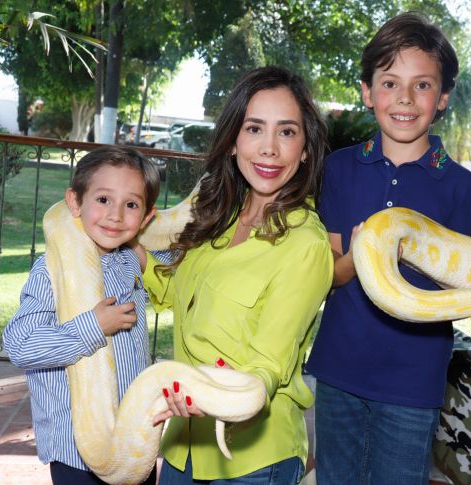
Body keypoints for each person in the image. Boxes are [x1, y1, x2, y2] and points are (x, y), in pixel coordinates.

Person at [304, 12, 471, 484]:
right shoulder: (339, 169)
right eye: (389, 82)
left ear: (443, 97)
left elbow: (461, 284)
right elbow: (327, 275)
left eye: (423, 85)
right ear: (368, 92)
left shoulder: (460, 187)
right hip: (339, 368)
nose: (405, 98)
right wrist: (371, 248)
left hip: (414, 380)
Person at [141, 66, 333, 484]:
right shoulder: (218, 215)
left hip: (252, 458)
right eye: (254, 129)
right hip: (182, 444)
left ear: (304, 150)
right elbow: (175, 290)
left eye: (286, 132)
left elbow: (268, 366)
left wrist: (212, 396)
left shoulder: (306, 245)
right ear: (232, 142)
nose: (269, 149)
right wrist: (125, 241)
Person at [3, 145, 172, 485]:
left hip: (133, 441)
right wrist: (93, 326)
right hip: (75, 455)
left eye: (131, 205)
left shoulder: (130, 259)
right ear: (74, 202)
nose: (116, 215)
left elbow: (178, 264)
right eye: (103, 200)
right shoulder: (52, 269)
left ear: (146, 216)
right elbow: (20, 345)